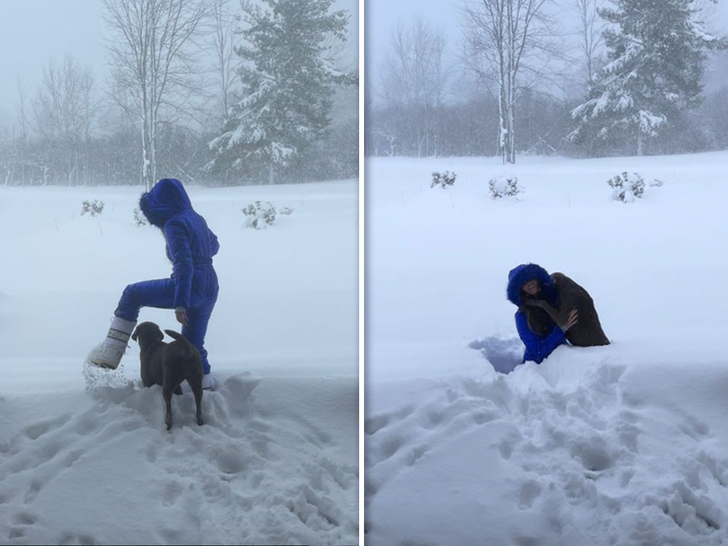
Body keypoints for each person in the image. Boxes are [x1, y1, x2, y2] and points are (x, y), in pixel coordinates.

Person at [87, 178, 220, 390]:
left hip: (189, 285)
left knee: (133, 293)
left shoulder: (174, 223)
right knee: (192, 344)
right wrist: (199, 252)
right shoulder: (197, 218)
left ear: (158, 206)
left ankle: (111, 353)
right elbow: (214, 245)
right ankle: (203, 382)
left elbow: (184, 264)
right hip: (210, 286)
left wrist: (181, 304)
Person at [506, 263, 578, 364]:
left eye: (531, 278)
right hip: (536, 369)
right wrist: (561, 329)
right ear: (520, 289)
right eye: (523, 282)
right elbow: (537, 352)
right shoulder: (521, 316)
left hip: (562, 357)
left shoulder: (552, 301)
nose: (529, 283)